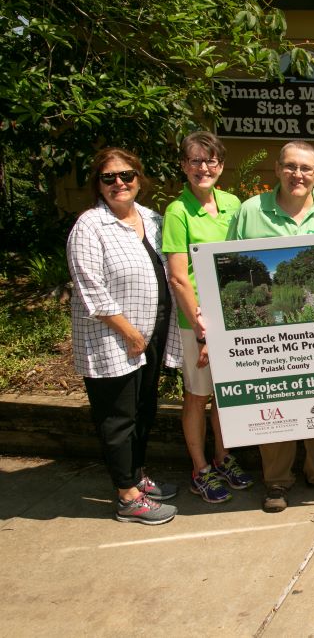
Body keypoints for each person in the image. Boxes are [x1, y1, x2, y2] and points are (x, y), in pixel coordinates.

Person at [227, 140, 314, 513]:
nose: (298, 175)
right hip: (267, 335)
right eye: (290, 166)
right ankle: (277, 481)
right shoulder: (251, 211)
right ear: (278, 169)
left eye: (306, 169)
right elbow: (228, 258)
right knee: (274, 398)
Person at [67, 148, 183, 525]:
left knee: (142, 410)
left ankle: (136, 476)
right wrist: (131, 334)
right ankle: (127, 498)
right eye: (109, 177)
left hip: (151, 333)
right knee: (117, 417)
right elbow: (91, 290)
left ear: (139, 178)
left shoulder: (152, 218)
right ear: (97, 184)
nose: (119, 183)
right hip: (113, 338)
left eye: (127, 175)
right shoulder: (89, 226)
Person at [163, 131, 253, 504]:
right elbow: (178, 277)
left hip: (230, 316)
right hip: (197, 321)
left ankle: (223, 457)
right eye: (196, 161)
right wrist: (202, 331)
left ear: (221, 164)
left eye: (211, 160)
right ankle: (200, 468)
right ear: (183, 166)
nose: (204, 168)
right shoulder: (177, 211)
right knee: (197, 396)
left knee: (224, 395)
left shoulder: (233, 203)